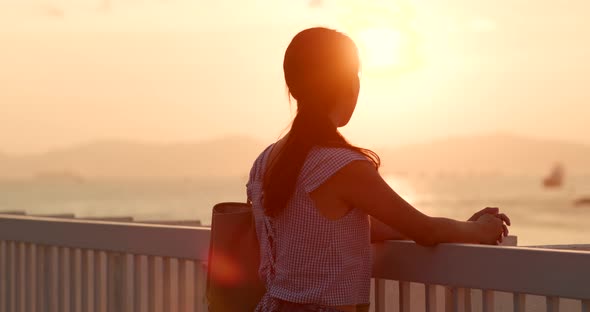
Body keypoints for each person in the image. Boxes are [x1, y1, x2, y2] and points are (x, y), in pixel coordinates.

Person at [246, 27, 510, 312]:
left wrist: (462, 228)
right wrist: (481, 231)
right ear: (349, 84)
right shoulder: (341, 165)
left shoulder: (264, 162)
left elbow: (357, 228)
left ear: (293, 86)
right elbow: (425, 231)